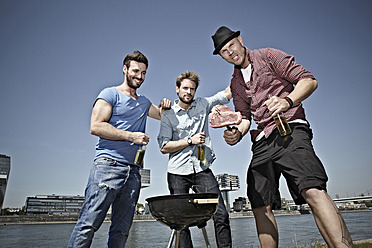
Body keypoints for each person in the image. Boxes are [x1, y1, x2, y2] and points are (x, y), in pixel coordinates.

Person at [211, 26, 353, 248]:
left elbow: (308, 80)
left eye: (231, 46)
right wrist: (237, 132)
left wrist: (287, 101)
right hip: (261, 142)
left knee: (312, 190)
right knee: (259, 203)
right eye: (224, 52)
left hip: (289, 129)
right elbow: (245, 117)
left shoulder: (269, 56)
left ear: (240, 40)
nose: (230, 53)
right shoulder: (235, 83)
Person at [68, 50, 171, 248]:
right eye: (135, 71)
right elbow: (96, 126)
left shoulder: (143, 102)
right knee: (88, 225)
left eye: (143, 73)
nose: (139, 76)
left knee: (122, 230)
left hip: (133, 172)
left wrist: (164, 106)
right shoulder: (109, 94)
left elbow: (161, 115)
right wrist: (131, 136)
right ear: (124, 69)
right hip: (108, 166)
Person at [157, 71, 233, 248]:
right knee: (181, 221)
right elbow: (163, 147)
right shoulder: (168, 115)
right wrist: (189, 141)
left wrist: (241, 70)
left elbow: (227, 93)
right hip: (177, 173)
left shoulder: (203, 104)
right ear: (177, 89)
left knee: (221, 213)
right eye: (185, 88)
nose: (188, 92)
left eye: (192, 89)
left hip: (202, 169)